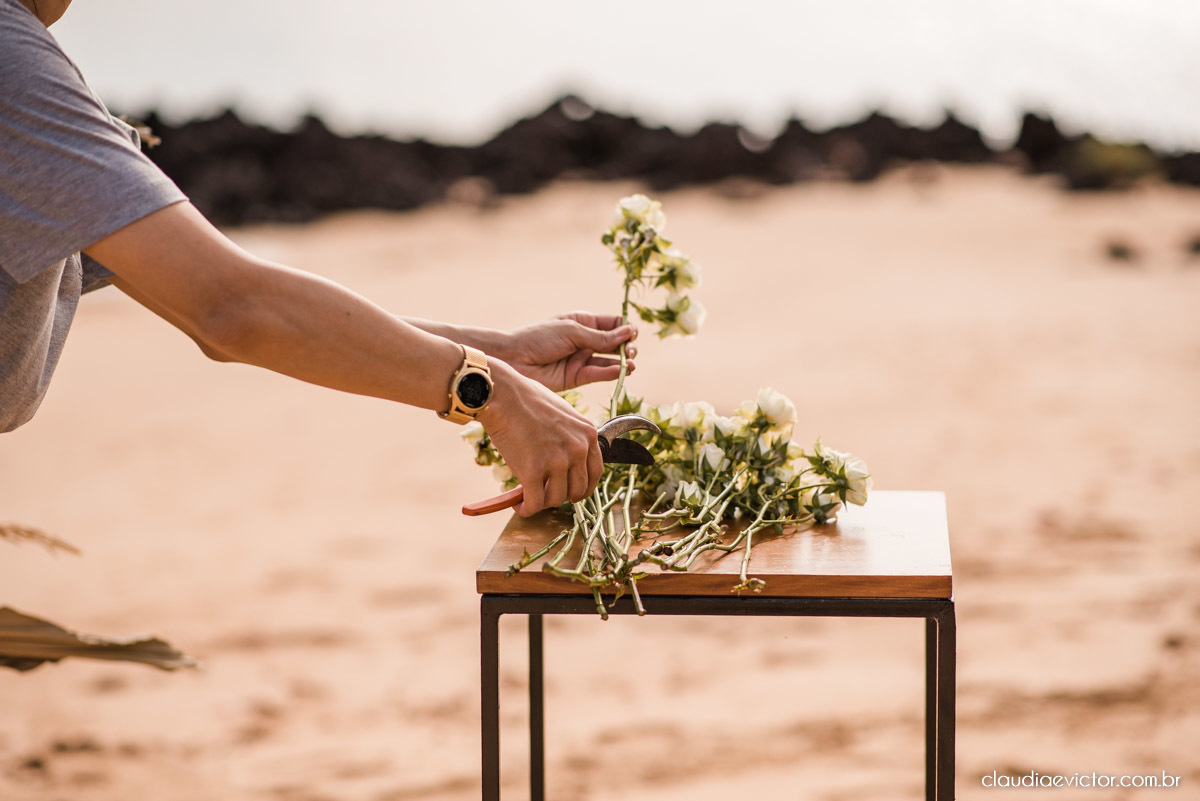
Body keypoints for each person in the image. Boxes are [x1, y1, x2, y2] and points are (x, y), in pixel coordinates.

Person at [0, 0, 636, 516]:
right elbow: (232, 310)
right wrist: (492, 393)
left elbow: (225, 299)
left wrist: (495, 355)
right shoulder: (12, 63)